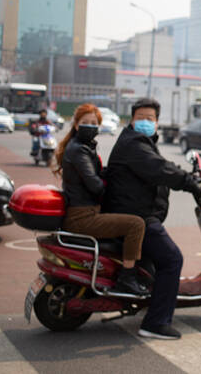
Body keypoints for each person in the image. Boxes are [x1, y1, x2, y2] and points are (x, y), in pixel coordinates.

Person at [103, 98, 201, 340]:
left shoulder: (140, 142)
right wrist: (191, 184)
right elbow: (159, 168)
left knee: (160, 260)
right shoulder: (134, 143)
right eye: (141, 117)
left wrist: (190, 176)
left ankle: (149, 305)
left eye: (150, 119)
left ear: (157, 122)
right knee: (172, 259)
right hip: (136, 217)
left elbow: (162, 165)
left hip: (138, 213)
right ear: (131, 119)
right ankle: (156, 323)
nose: (145, 122)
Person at [54, 103, 148, 295]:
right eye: (85, 122)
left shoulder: (82, 147)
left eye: (94, 123)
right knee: (136, 224)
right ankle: (127, 278)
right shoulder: (79, 150)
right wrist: (111, 184)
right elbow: (95, 185)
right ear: (76, 125)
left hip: (84, 211)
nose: (90, 126)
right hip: (83, 217)